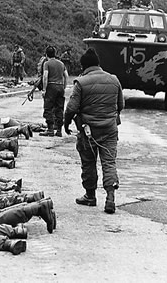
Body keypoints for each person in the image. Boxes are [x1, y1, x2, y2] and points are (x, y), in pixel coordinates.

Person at [64, 48, 124, 214]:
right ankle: (110, 197)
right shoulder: (114, 80)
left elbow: (71, 108)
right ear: (98, 64)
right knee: (109, 162)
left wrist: (66, 123)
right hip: (110, 130)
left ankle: (90, 196)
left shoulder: (81, 82)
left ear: (84, 67)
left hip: (88, 131)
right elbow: (121, 105)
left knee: (89, 163)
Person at [39, 46, 68, 137]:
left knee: (48, 108)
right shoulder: (61, 64)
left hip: (51, 86)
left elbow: (45, 76)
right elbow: (66, 76)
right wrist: (64, 86)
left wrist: (44, 89)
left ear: (46, 54)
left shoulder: (47, 63)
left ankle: (50, 130)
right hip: (60, 86)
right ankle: (59, 130)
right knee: (59, 108)